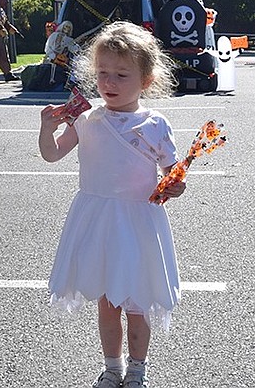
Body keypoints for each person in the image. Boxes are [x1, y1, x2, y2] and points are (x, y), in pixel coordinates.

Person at [39, 21, 186, 388]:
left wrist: (174, 186)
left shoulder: (155, 124)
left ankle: (138, 370)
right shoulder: (87, 119)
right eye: (103, 73)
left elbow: (173, 174)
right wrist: (46, 129)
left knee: (137, 304)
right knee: (107, 302)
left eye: (122, 74)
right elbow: (53, 154)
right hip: (99, 222)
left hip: (137, 223)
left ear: (146, 80)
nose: (110, 83)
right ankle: (112, 367)